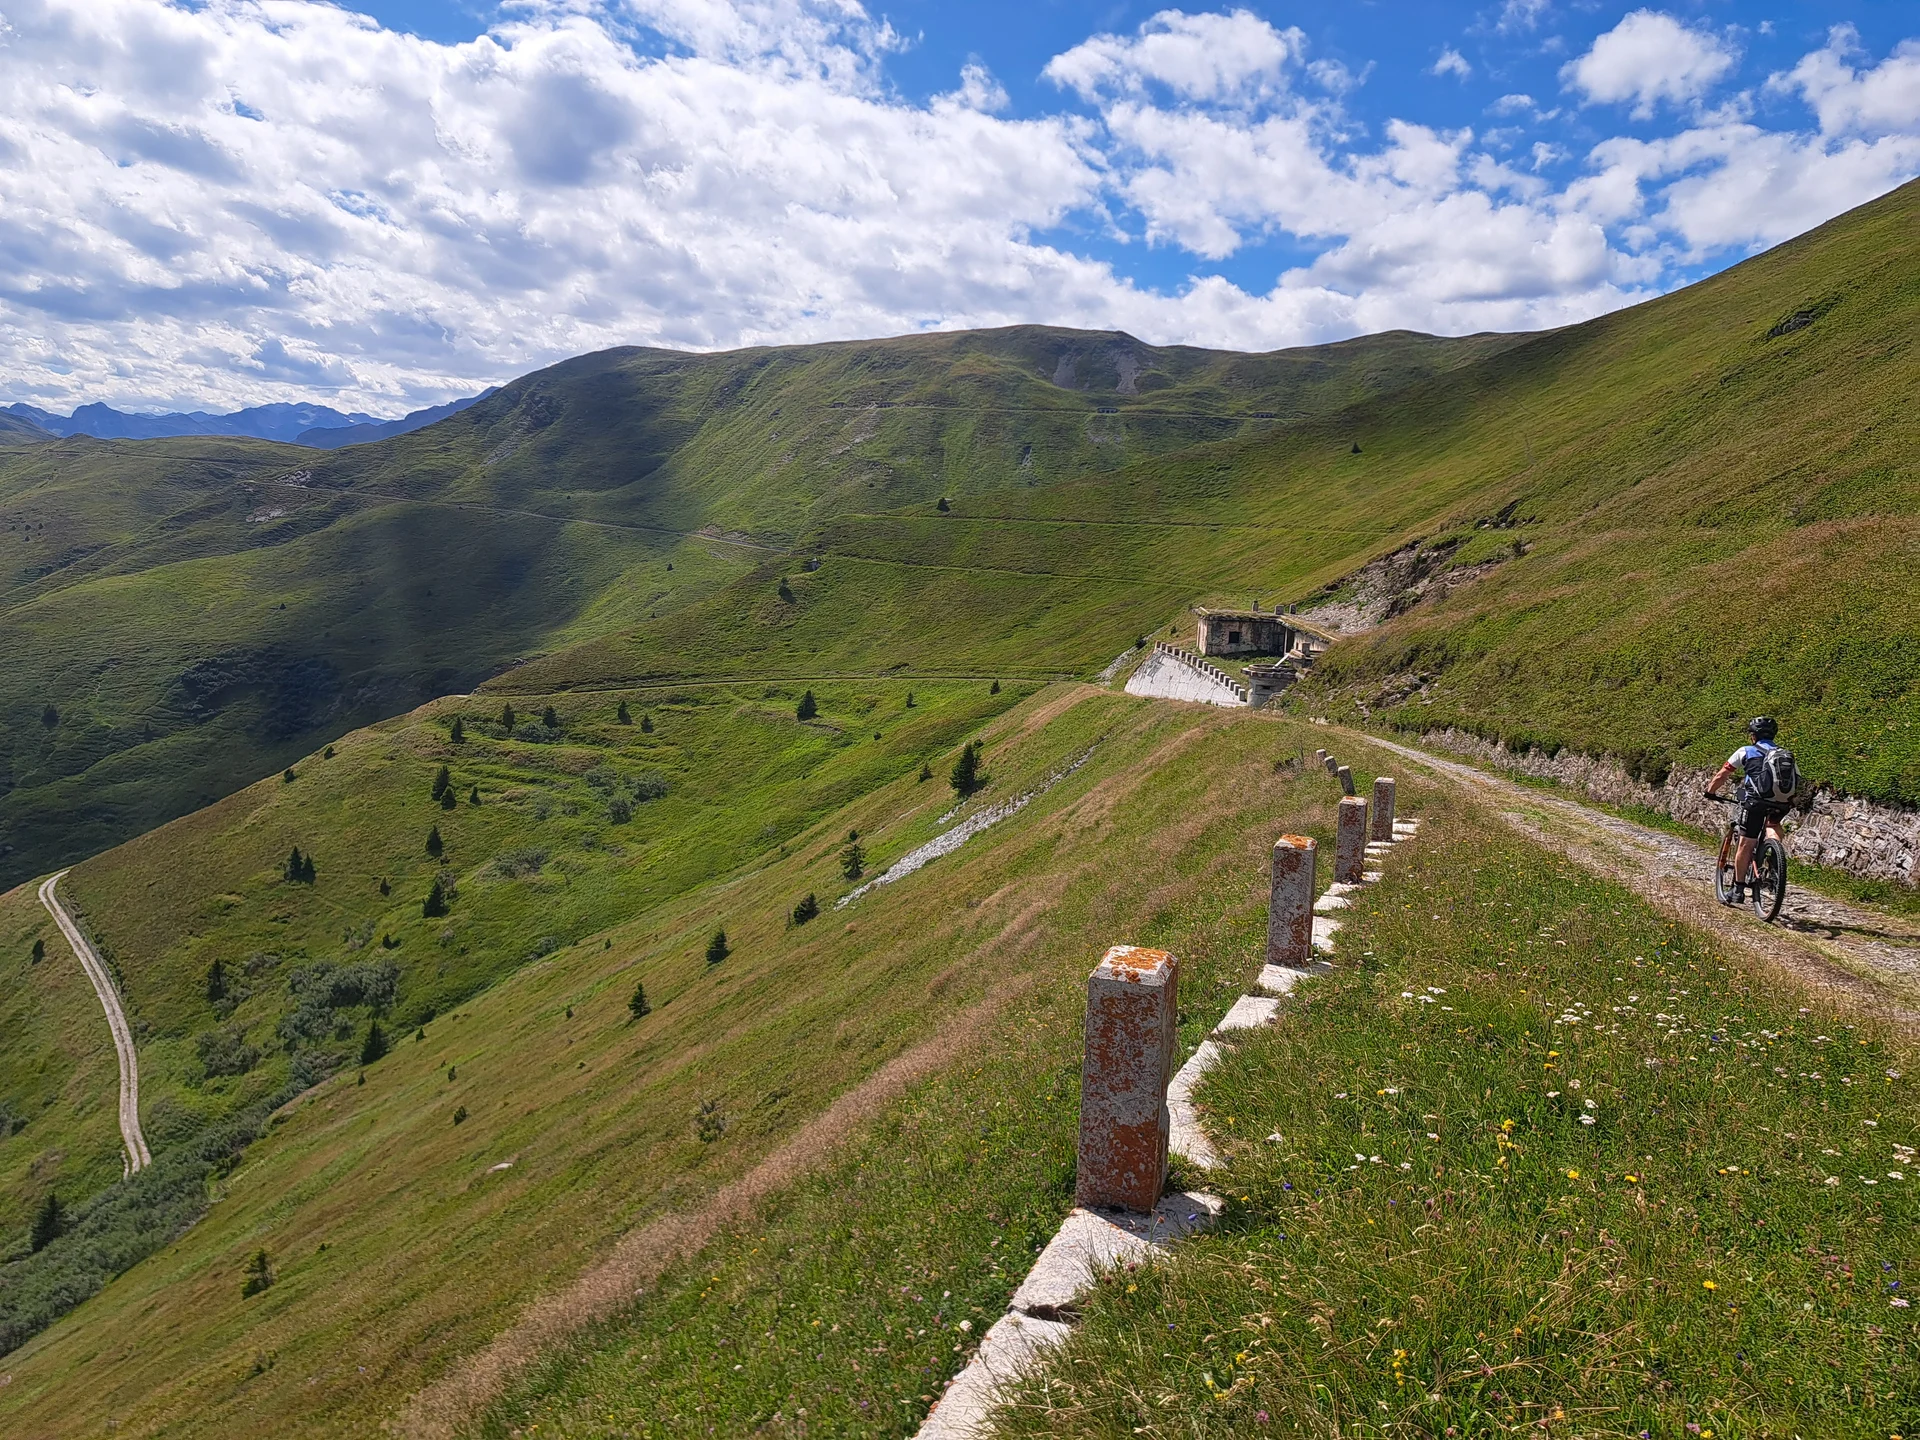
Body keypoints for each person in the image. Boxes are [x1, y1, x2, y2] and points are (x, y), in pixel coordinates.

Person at [1704, 716, 1787, 901]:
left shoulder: (1746, 751)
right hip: (1782, 803)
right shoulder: (1784, 753)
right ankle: (1775, 860)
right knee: (1772, 827)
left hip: (1755, 802)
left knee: (1746, 843)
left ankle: (1738, 889)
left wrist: (1710, 791)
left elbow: (1722, 774)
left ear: (1753, 736)